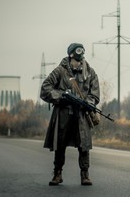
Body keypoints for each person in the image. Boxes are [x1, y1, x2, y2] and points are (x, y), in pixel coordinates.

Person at [41, 43, 100, 186]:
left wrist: (88, 103)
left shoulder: (90, 72)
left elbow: (95, 94)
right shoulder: (60, 71)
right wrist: (61, 96)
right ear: (70, 57)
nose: (78, 64)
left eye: (80, 61)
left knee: (84, 145)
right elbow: (45, 88)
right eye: (76, 60)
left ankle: (85, 175)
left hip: (82, 114)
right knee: (60, 144)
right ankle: (57, 174)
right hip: (63, 113)